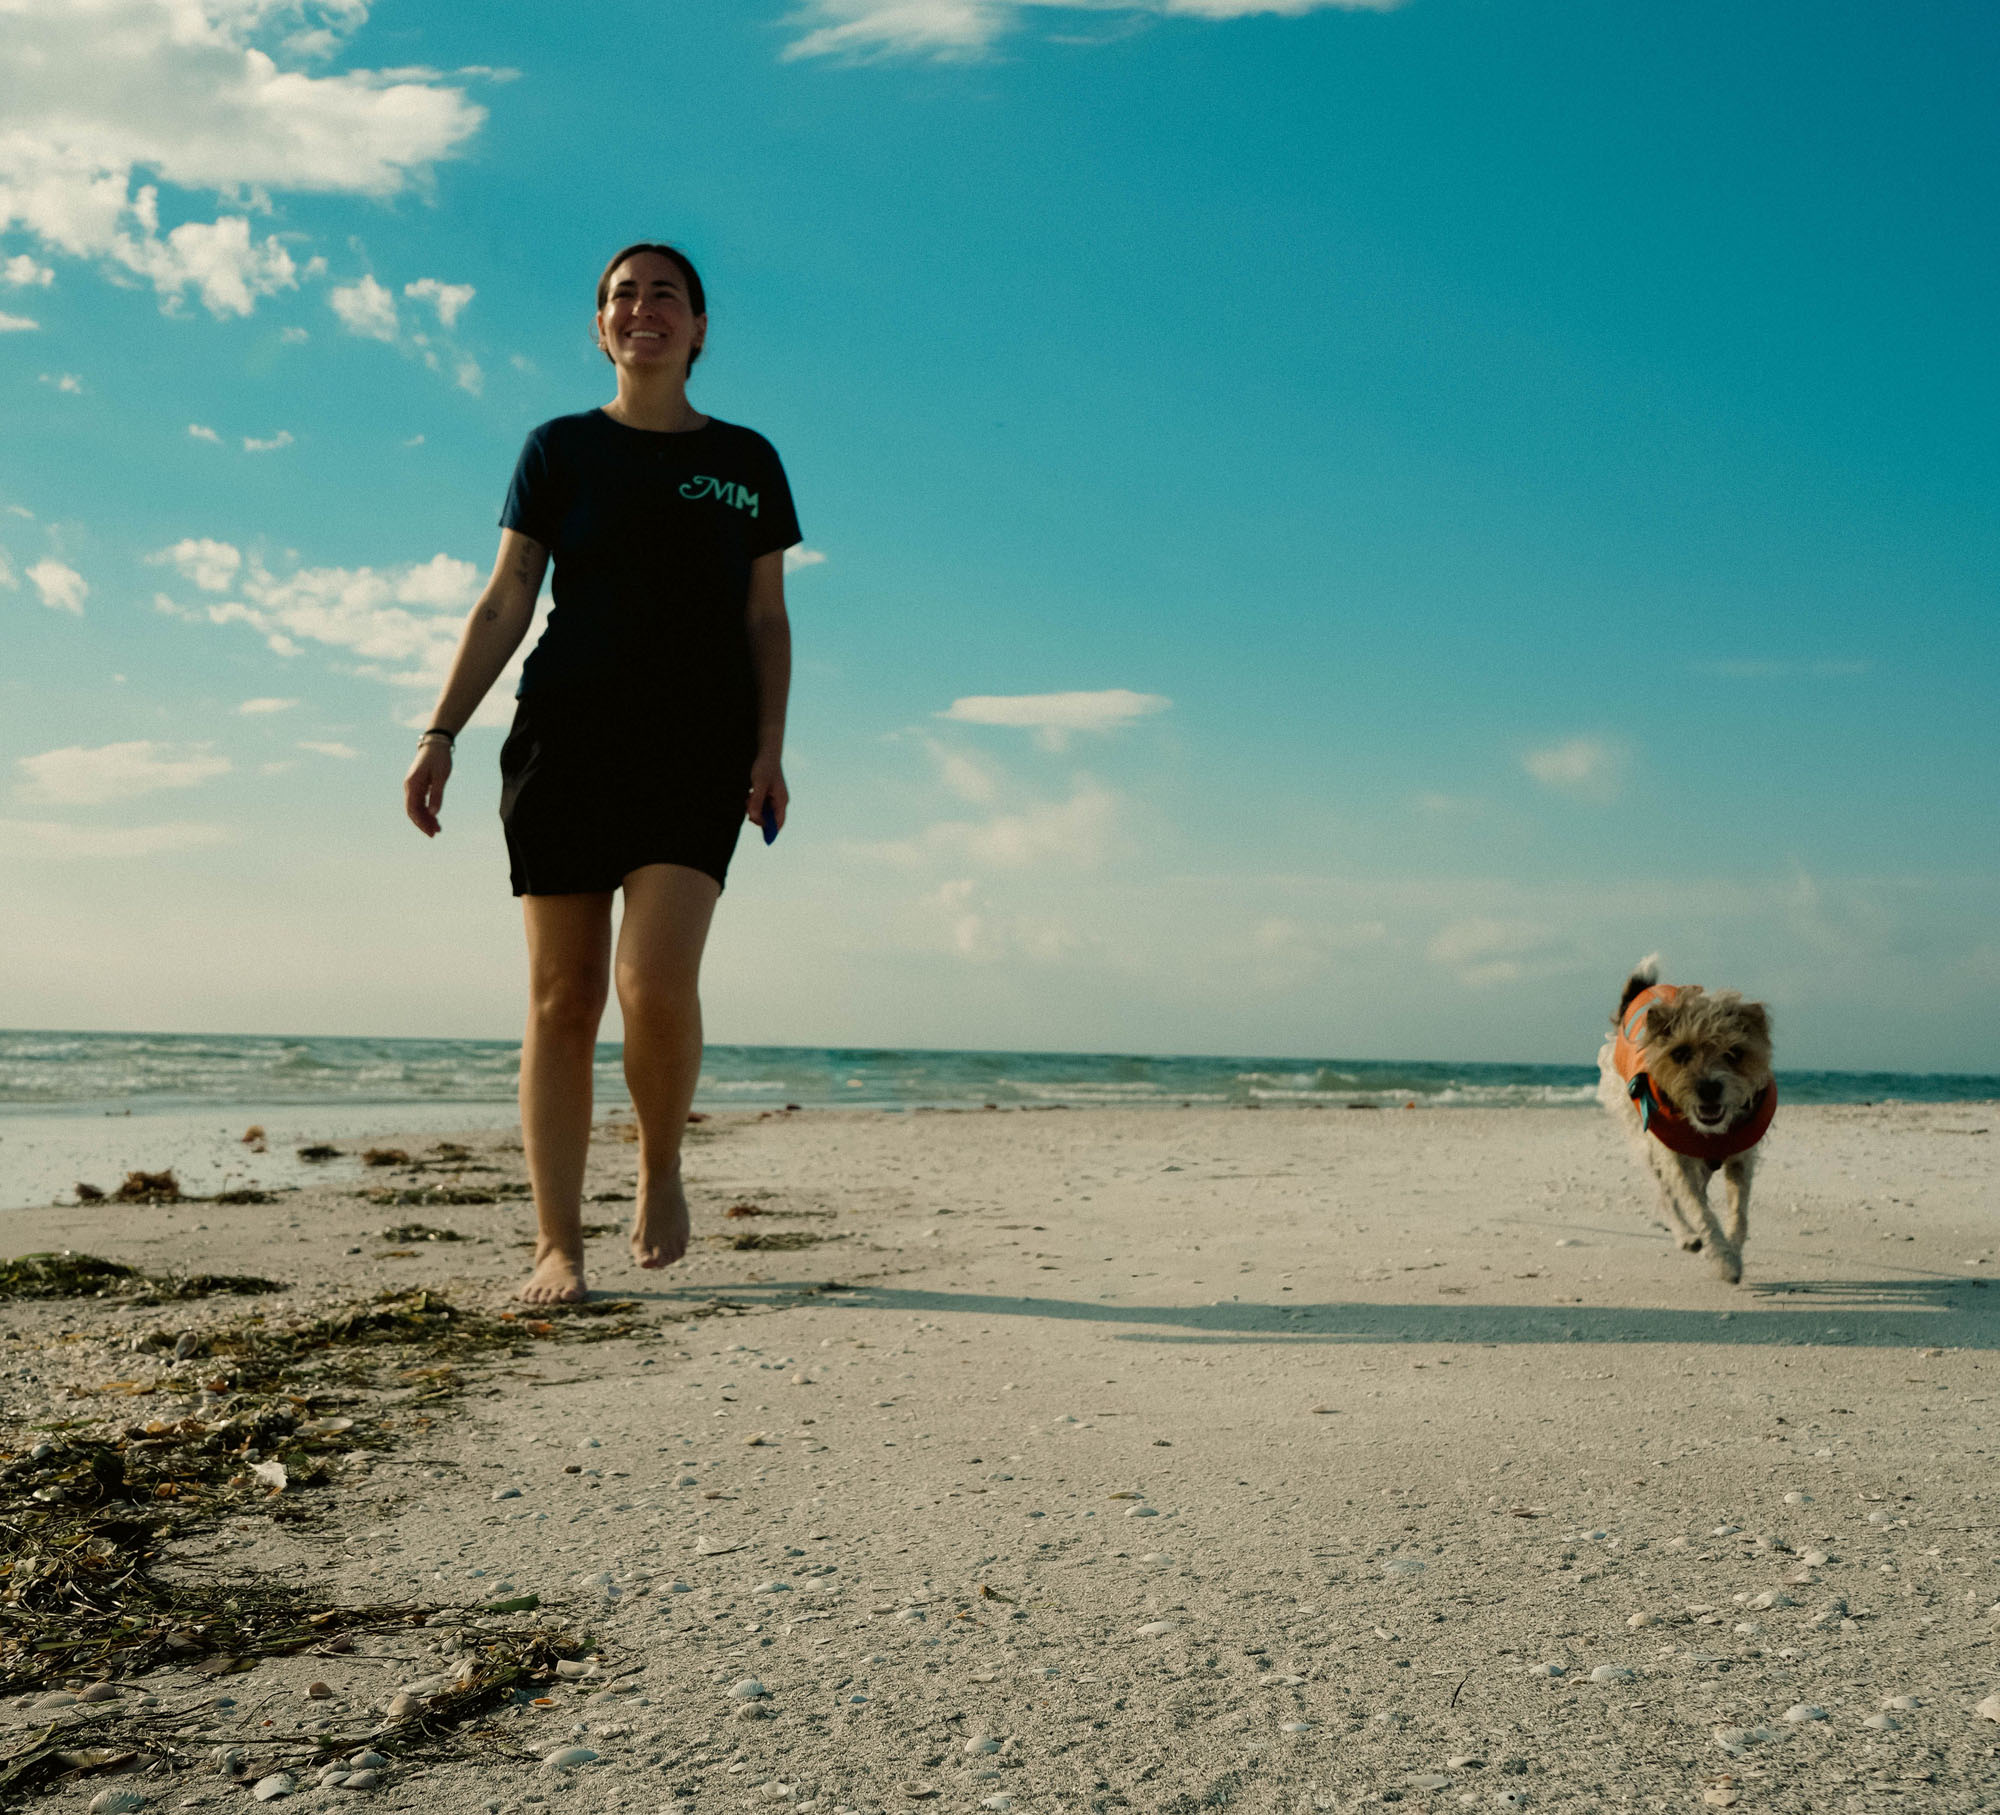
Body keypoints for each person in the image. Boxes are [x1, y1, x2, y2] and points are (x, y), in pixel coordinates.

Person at [402, 241, 799, 1304]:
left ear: (699, 328)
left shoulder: (747, 461)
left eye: (664, 294)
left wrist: (767, 747)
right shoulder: (558, 449)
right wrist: (440, 730)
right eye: (622, 296)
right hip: (563, 738)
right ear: (600, 328)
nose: (643, 308)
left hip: (696, 746)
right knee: (563, 997)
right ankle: (555, 1244)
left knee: (653, 985)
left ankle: (660, 1166)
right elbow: (505, 598)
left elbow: (765, 618)